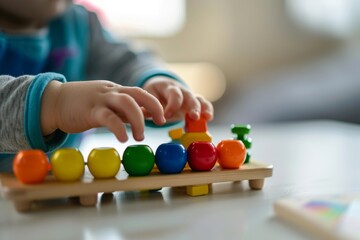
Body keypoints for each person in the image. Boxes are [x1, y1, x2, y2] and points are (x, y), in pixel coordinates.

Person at [0, 0, 214, 172]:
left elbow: (124, 61)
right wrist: (56, 103)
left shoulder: (80, 22)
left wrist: (151, 82)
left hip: (62, 187)